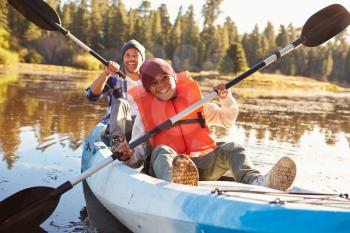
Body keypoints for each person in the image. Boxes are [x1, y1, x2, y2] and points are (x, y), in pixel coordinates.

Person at [116, 58, 296, 191]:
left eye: (164, 78)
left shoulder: (194, 104)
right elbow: (137, 158)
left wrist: (225, 99)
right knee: (161, 150)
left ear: (174, 78)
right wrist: (127, 155)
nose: (161, 85)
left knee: (233, 148)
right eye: (153, 83)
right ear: (148, 89)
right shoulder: (144, 116)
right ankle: (175, 183)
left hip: (200, 166)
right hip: (166, 171)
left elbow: (226, 120)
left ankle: (257, 182)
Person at [85, 39, 145, 145]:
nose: (131, 58)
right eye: (127, 55)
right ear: (123, 58)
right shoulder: (114, 78)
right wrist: (106, 73)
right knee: (121, 102)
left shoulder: (149, 82)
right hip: (114, 127)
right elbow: (91, 96)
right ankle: (117, 143)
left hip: (141, 128)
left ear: (142, 59)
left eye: (135, 55)